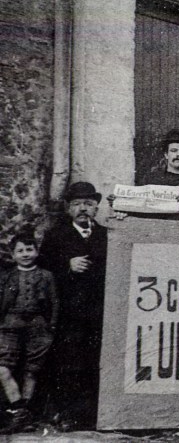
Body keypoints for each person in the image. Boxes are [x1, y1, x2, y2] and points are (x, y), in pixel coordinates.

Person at [38, 182, 107, 430]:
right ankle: (68, 414)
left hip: (99, 311)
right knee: (69, 361)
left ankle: (92, 415)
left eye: (88, 204)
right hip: (69, 311)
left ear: (96, 208)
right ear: (68, 208)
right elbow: (42, 270)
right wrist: (67, 265)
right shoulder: (55, 235)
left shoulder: (107, 234)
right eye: (77, 204)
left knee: (94, 360)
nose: (83, 209)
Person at [0, 232, 58, 432]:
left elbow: (54, 303)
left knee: (32, 370)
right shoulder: (6, 276)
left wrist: (51, 327)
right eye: (20, 251)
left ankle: (22, 415)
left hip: (38, 325)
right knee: (3, 368)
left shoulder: (46, 276)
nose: (25, 254)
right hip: (10, 324)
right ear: (13, 255)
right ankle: (19, 409)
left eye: (29, 249)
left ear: (36, 251)